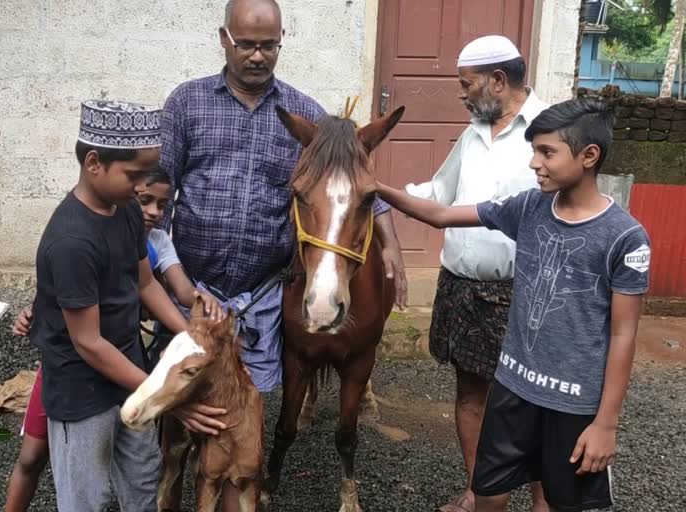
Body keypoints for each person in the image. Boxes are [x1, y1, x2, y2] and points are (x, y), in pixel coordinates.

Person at [376, 98, 650, 512]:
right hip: (512, 387)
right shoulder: (528, 207)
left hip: (573, 403)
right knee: (489, 491)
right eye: (533, 151)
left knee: (556, 500)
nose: (534, 163)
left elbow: (623, 333)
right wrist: (376, 189)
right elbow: (441, 215)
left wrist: (606, 423)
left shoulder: (625, 238)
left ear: (589, 156)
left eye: (547, 152)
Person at [158, 0, 408, 394]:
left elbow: (350, 182)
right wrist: (154, 276)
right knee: (181, 403)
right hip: (192, 287)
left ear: (281, 42)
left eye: (268, 46)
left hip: (262, 294)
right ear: (224, 39)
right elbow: (160, 194)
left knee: (246, 408)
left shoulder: (304, 113)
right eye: (246, 45)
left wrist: (390, 243)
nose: (258, 56)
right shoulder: (187, 103)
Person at [28, 99, 214, 512]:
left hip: (128, 368)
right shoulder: (72, 242)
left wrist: (190, 338)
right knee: (87, 499)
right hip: (82, 391)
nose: (141, 186)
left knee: (142, 482)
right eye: (133, 174)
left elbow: (146, 282)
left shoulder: (127, 211)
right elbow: (89, 343)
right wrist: (167, 395)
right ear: (94, 163)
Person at [403, 35, 550, 512]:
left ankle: (541, 501)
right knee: (470, 393)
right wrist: (377, 195)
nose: (461, 94)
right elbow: (439, 192)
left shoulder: (549, 131)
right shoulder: (472, 134)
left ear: (498, 80)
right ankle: (480, 491)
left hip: (521, 293)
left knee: (529, 404)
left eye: (466, 85)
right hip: (462, 289)